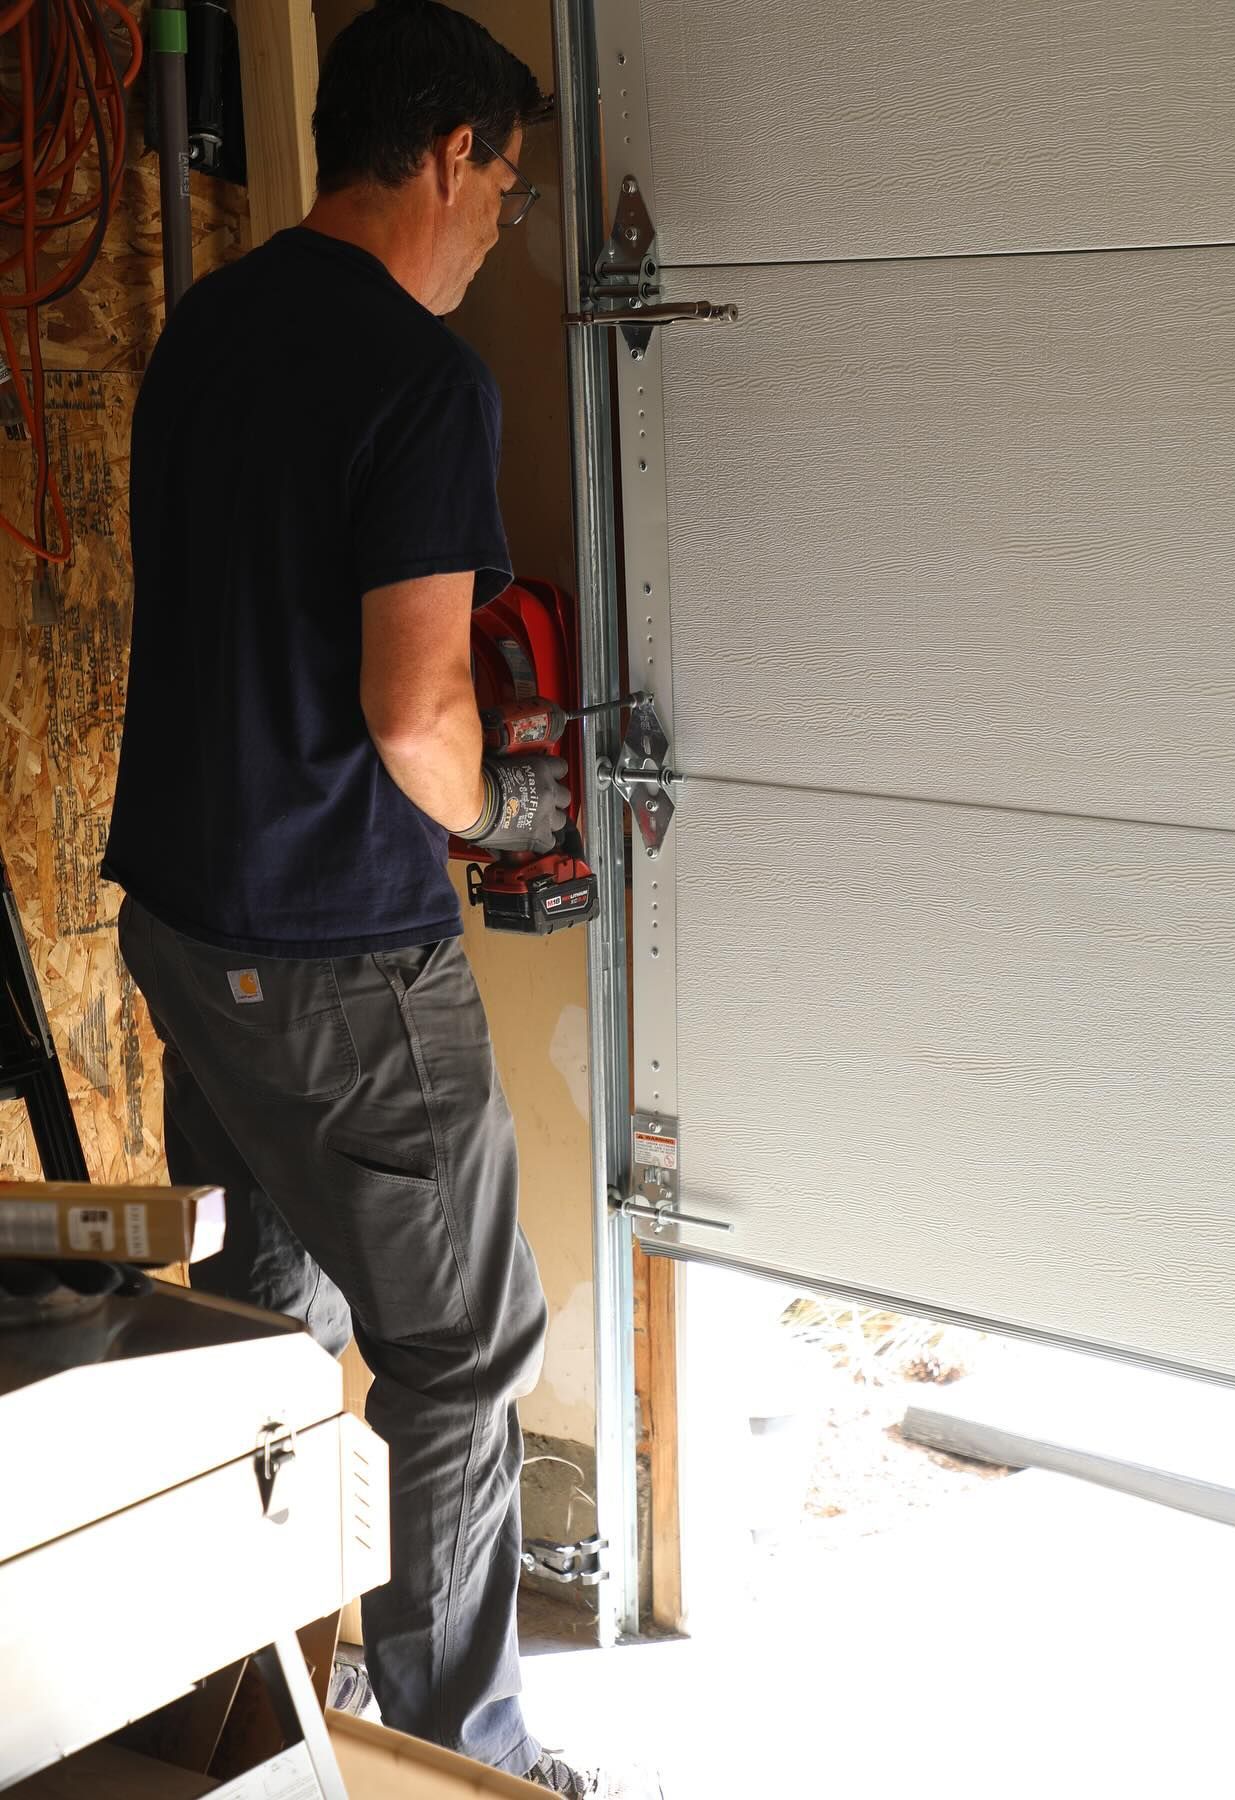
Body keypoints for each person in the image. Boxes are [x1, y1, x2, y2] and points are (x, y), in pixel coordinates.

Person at [104, 1, 603, 1791]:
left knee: (264, 1311)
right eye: (509, 192)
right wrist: (501, 807)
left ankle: (250, 1682)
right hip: (339, 947)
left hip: (182, 921)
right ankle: (456, 1745)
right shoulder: (420, 376)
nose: (499, 229)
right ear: (452, 154)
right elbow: (416, 714)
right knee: (459, 1349)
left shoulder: (208, 327)